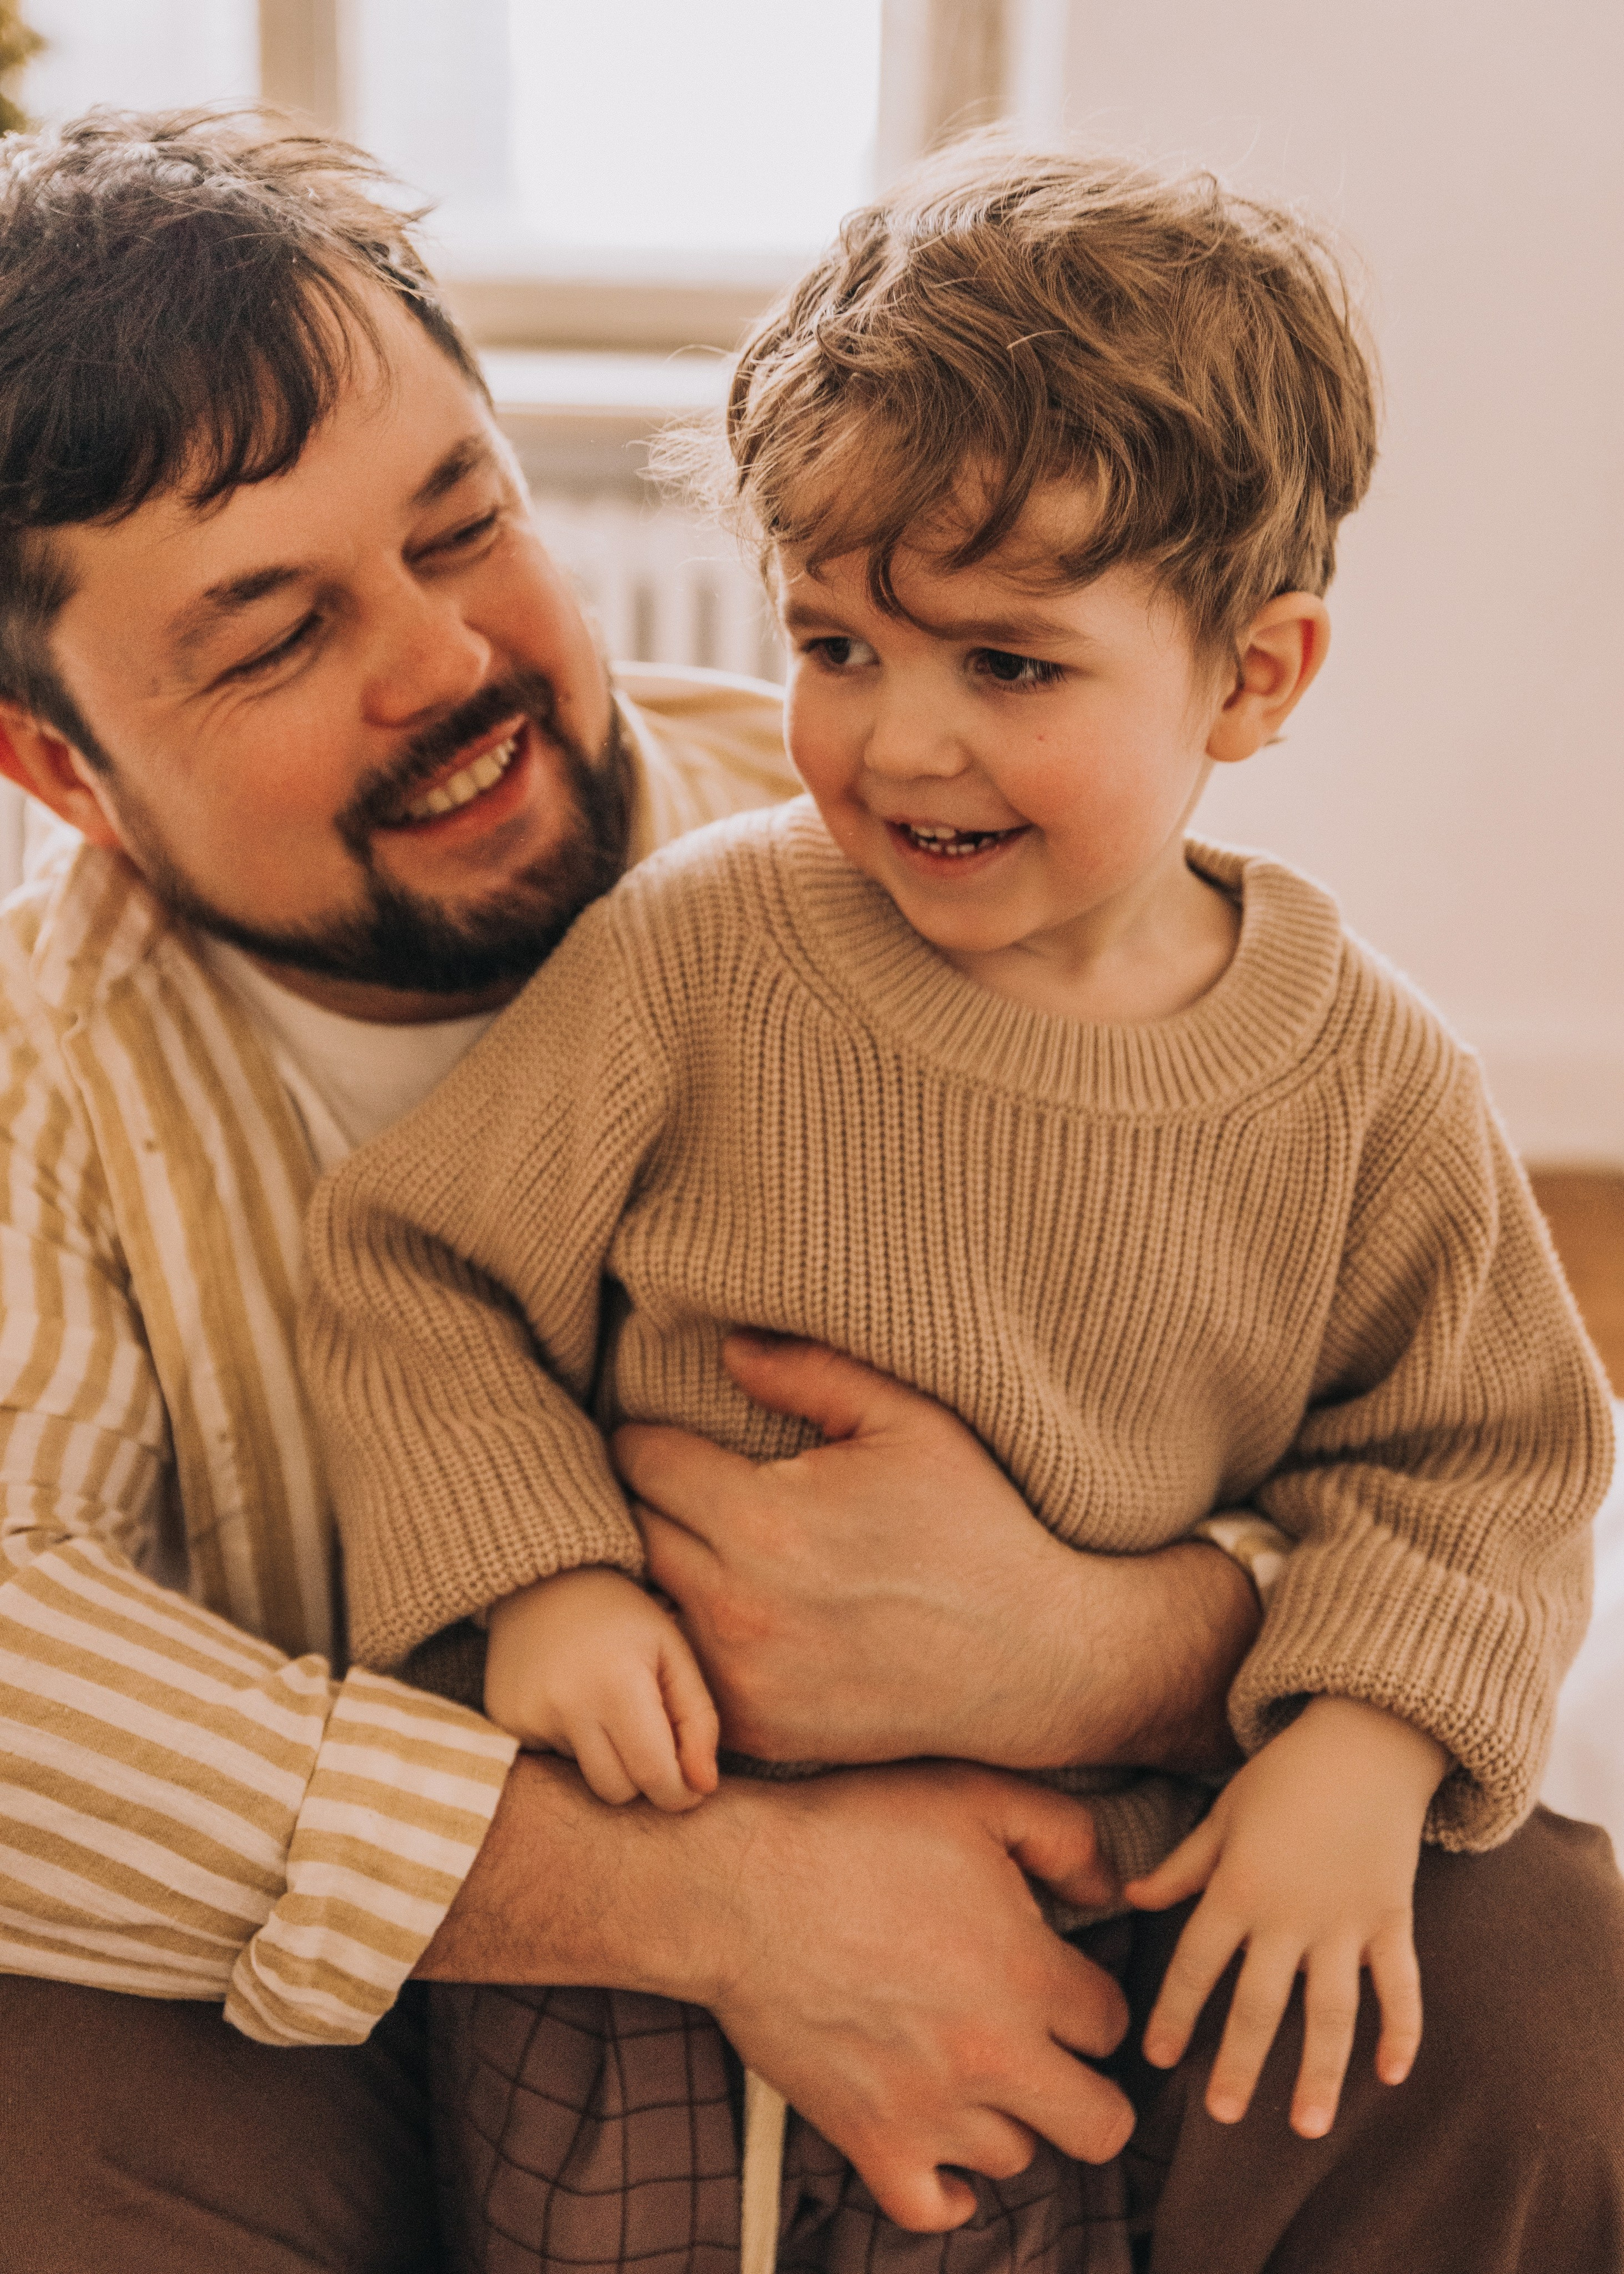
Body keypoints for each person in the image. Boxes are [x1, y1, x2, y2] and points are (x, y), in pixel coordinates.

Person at [0, 107, 1306, 2274]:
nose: (443, 664)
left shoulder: (942, 857)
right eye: (274, 638)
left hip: (1064, 1881)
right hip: (411, 2007)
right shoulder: (41, 1075)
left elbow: (1408, 1436)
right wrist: (703, 1905)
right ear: (63, 769)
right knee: (38, 2112)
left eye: (464, 526)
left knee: (1536, 1959)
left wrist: (1111, 1651)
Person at [301, 146, 1624, 2274]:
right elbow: (415, 1269)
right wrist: (543, 1578)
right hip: (655, 1887)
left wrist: (1365, 1749)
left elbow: (1488, 1463)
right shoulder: (697, 955)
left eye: (1008, 667)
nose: (897, 742)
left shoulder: (1368, 1081)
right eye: (835, 644)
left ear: (1257, 677)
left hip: (1085, 1897)